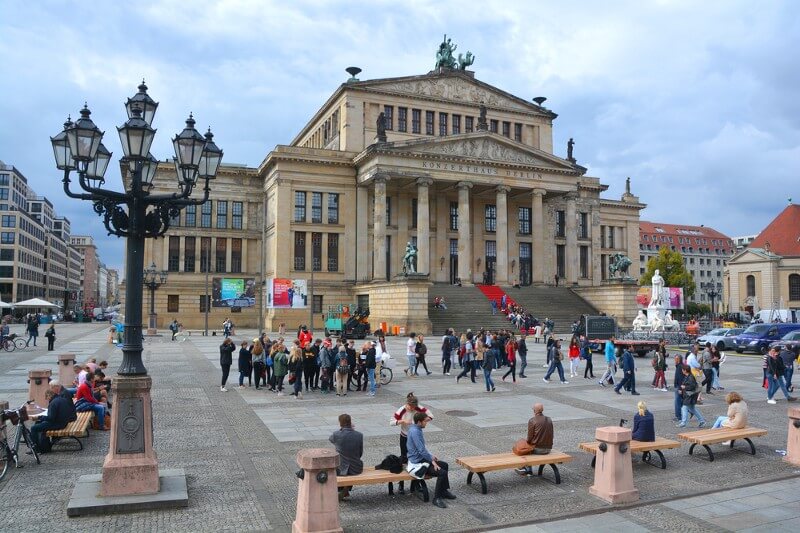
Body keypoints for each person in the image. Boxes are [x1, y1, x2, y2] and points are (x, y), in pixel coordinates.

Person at [406, 411, 456, 509]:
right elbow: (421, 450)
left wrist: (432, 459)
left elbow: (422, 449)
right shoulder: (415, 432)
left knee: (444, 465)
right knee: (441, 472)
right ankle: (436, 498)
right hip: (418, 463)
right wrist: (432, 460)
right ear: (419, 422)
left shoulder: (415, 427)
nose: (426, 423)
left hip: (422, 459)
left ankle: (444, 491)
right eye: (425, 421)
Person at [30, 380, 77, 453]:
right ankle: (43, 445)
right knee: (39, 424)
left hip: (58, 424)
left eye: (47, 397)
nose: (46, 399)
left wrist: (39, 417)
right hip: (63, 422)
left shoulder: (54, 403)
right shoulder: (61, 399)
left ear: (49, 396)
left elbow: (51, 418)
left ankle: (36, 448)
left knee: (33, 428)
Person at [391, 393, 433, 464]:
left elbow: (431, 416)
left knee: (417, 455)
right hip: (405, 435)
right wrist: (403, 421)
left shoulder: (419, 408)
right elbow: (391, 422)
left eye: (414, 407)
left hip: (415, 435)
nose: (412, 409)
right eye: (410, 407)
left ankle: (415, 469)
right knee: (404, 456)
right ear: (407, 403)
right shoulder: (402, 410)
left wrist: (420, 421)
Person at [329, 413, 363, 500]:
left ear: (340, 423)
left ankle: (342, 490)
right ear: (350, 422)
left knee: (334, 468)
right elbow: (360, 453)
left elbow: (331, 439)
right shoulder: (359, 435)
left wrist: (341, 429)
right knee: (346, 467)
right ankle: (346, 489)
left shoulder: (336, 434)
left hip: (341, 469)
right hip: (356, 468)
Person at [515, 403, 554, 475]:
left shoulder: (532, 420)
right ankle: (527, 468)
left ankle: (527, 468)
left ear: (535, 411)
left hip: (537, 449)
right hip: (548, 449)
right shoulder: (549, 419)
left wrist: (525, 443)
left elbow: (529, 438)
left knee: (523, 447)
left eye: (533, 409)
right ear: (542, 410)